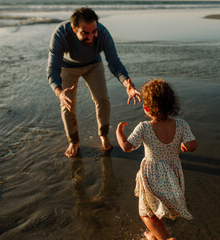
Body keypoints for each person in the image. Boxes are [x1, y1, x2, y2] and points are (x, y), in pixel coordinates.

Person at [46, 7, 141, 157]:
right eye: (85, 33)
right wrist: (59, 92)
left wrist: (127, 85)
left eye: (93, 31)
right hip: (68, 67)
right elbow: (52, 70)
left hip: (93, 65)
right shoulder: (60, 34)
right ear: (73, 29)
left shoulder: (102, 33)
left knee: (102, 99)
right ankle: (74, 141)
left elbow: (114, 63)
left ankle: (103, 135)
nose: (91, 37)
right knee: (67, 103)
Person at [116, 78, 197, 240]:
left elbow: (126, 147)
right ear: (172, 104)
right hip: (172, 174)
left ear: (146, 108)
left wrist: (119, 133)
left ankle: (165, 238)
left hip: (151, 176)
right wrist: (184, 146)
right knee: (157, 205)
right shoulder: (181, 124)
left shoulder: (144, 127)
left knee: (146, 213)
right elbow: (192, 144)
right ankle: (154, 235)